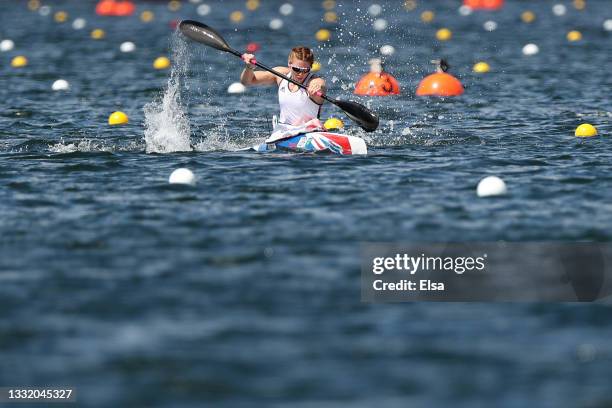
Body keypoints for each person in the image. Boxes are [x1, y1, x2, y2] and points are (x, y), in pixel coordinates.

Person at [240, 46, 326, 129]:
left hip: (309, 132)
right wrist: (249, 67)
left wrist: (317, 87)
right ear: (289, 63)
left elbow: (320, 84)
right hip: (284, 132)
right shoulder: (281, 74)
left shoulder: (314, 81)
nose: (301, 74)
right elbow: (247, 81)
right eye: (297, 69)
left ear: (310, 67)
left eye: (305, 70)